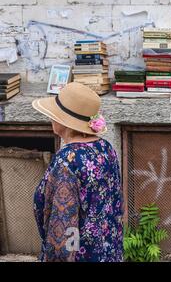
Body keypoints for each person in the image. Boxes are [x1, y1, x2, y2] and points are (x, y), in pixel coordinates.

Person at [32, 82, 123, 262]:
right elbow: (118, 204)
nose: (51, 118)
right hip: (108, 253)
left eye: (54, 115)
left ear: (64, 122)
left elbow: (63, 227)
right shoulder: (106, 148)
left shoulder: (67, 161)